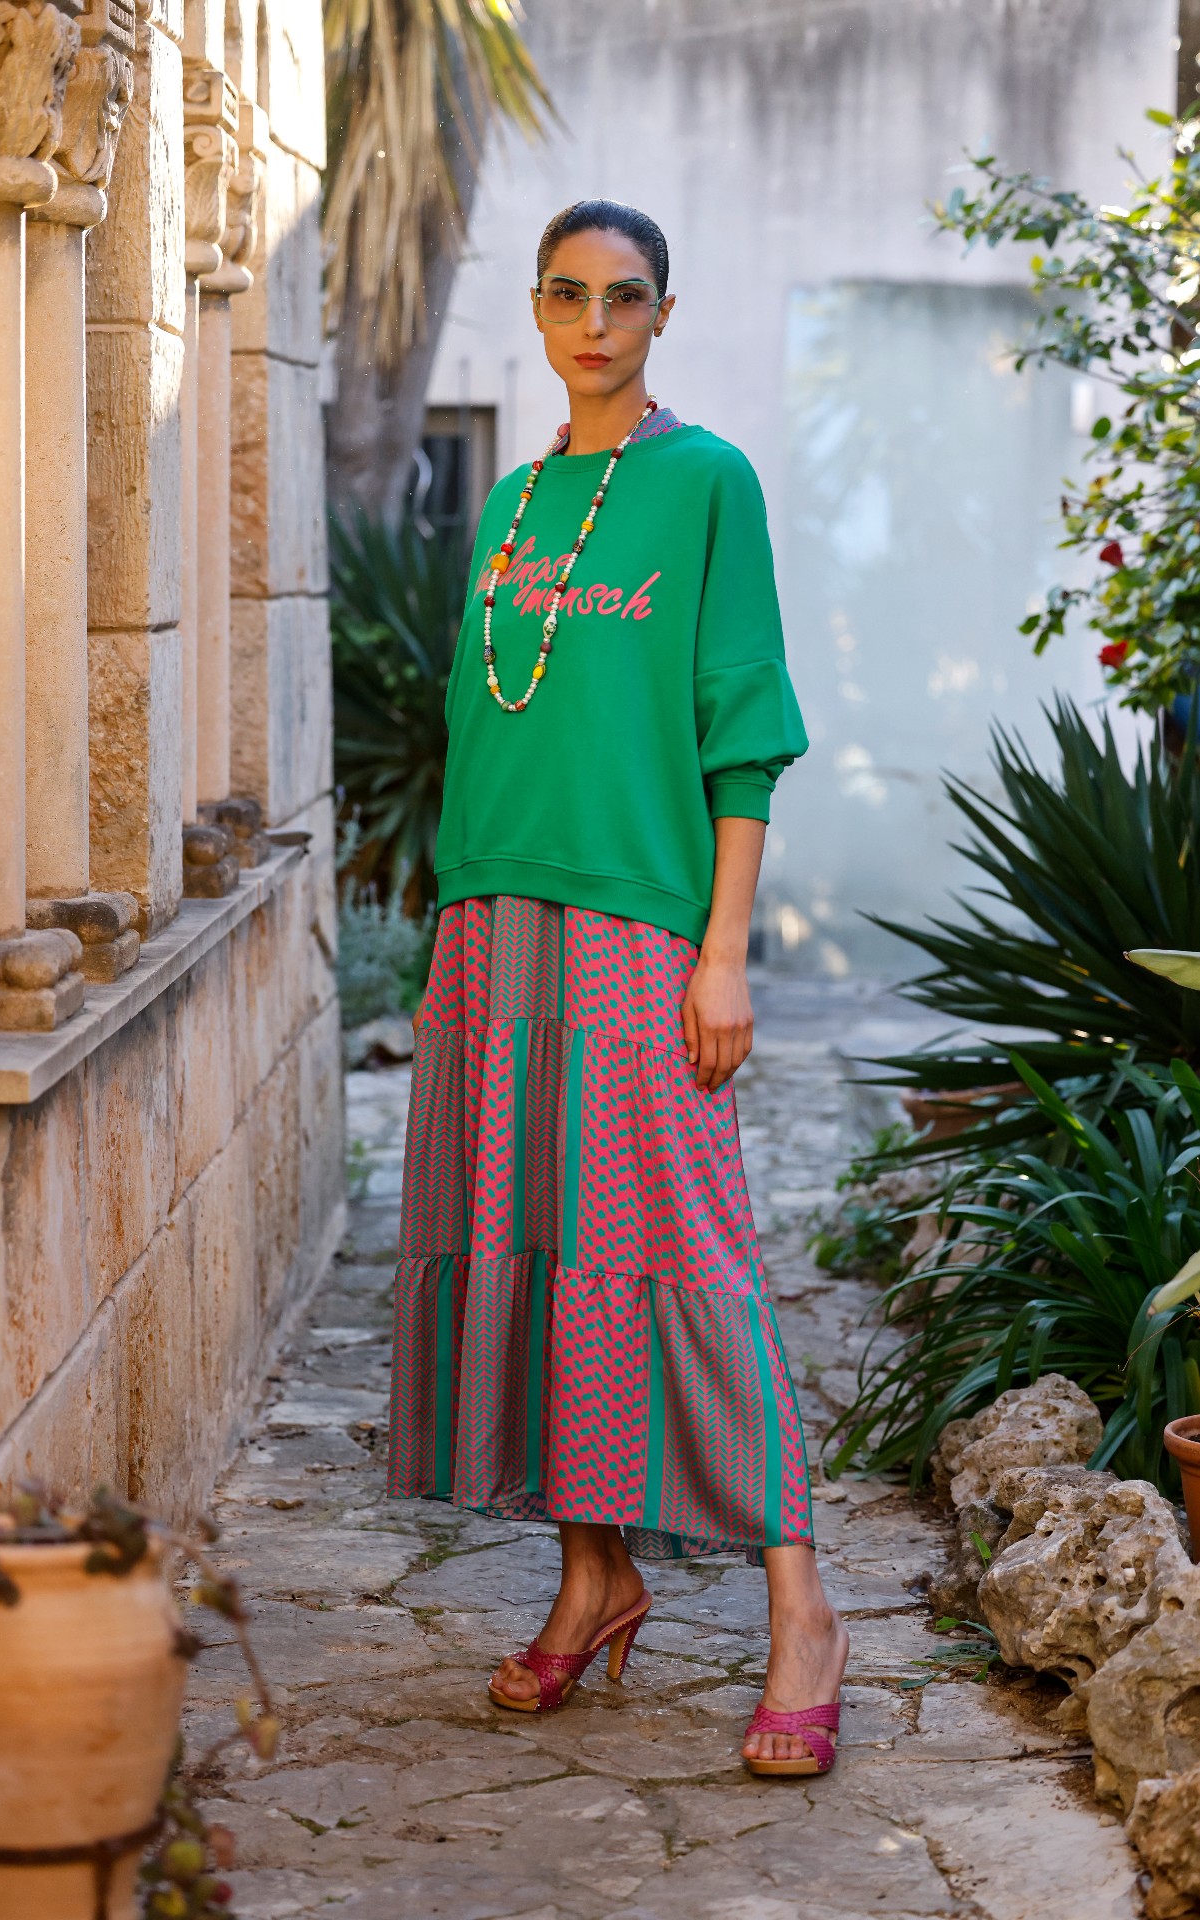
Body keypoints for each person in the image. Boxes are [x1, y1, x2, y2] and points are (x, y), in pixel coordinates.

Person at [388, 198, 848, 1777]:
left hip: (644, 932)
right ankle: (594, 1576)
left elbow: (741, 716)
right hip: (490, 922)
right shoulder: (515, 505)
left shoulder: (703, 481)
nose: (595, 322)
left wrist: (723, 950)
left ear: (662, 314)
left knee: (682, 1252)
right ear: (534, 312)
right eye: (569, 296)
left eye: (625, 297)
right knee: (532, 1249)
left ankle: (801, 1606)